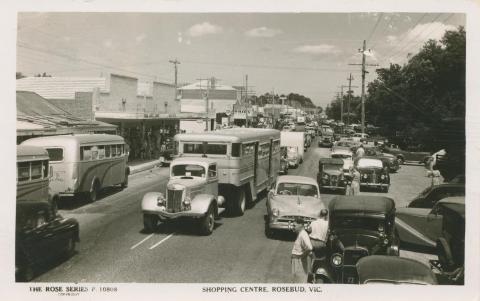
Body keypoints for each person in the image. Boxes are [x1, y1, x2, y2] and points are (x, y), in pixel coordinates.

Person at [291, 218, 313, 283]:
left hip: (299, 262)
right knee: (295, 282)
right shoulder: (301, 233)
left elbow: (309, 247)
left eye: (294, 225)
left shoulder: (303, 234)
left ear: (300, 225)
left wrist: (302, 256)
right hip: (297, 261)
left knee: (299, 283)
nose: (293, 227)